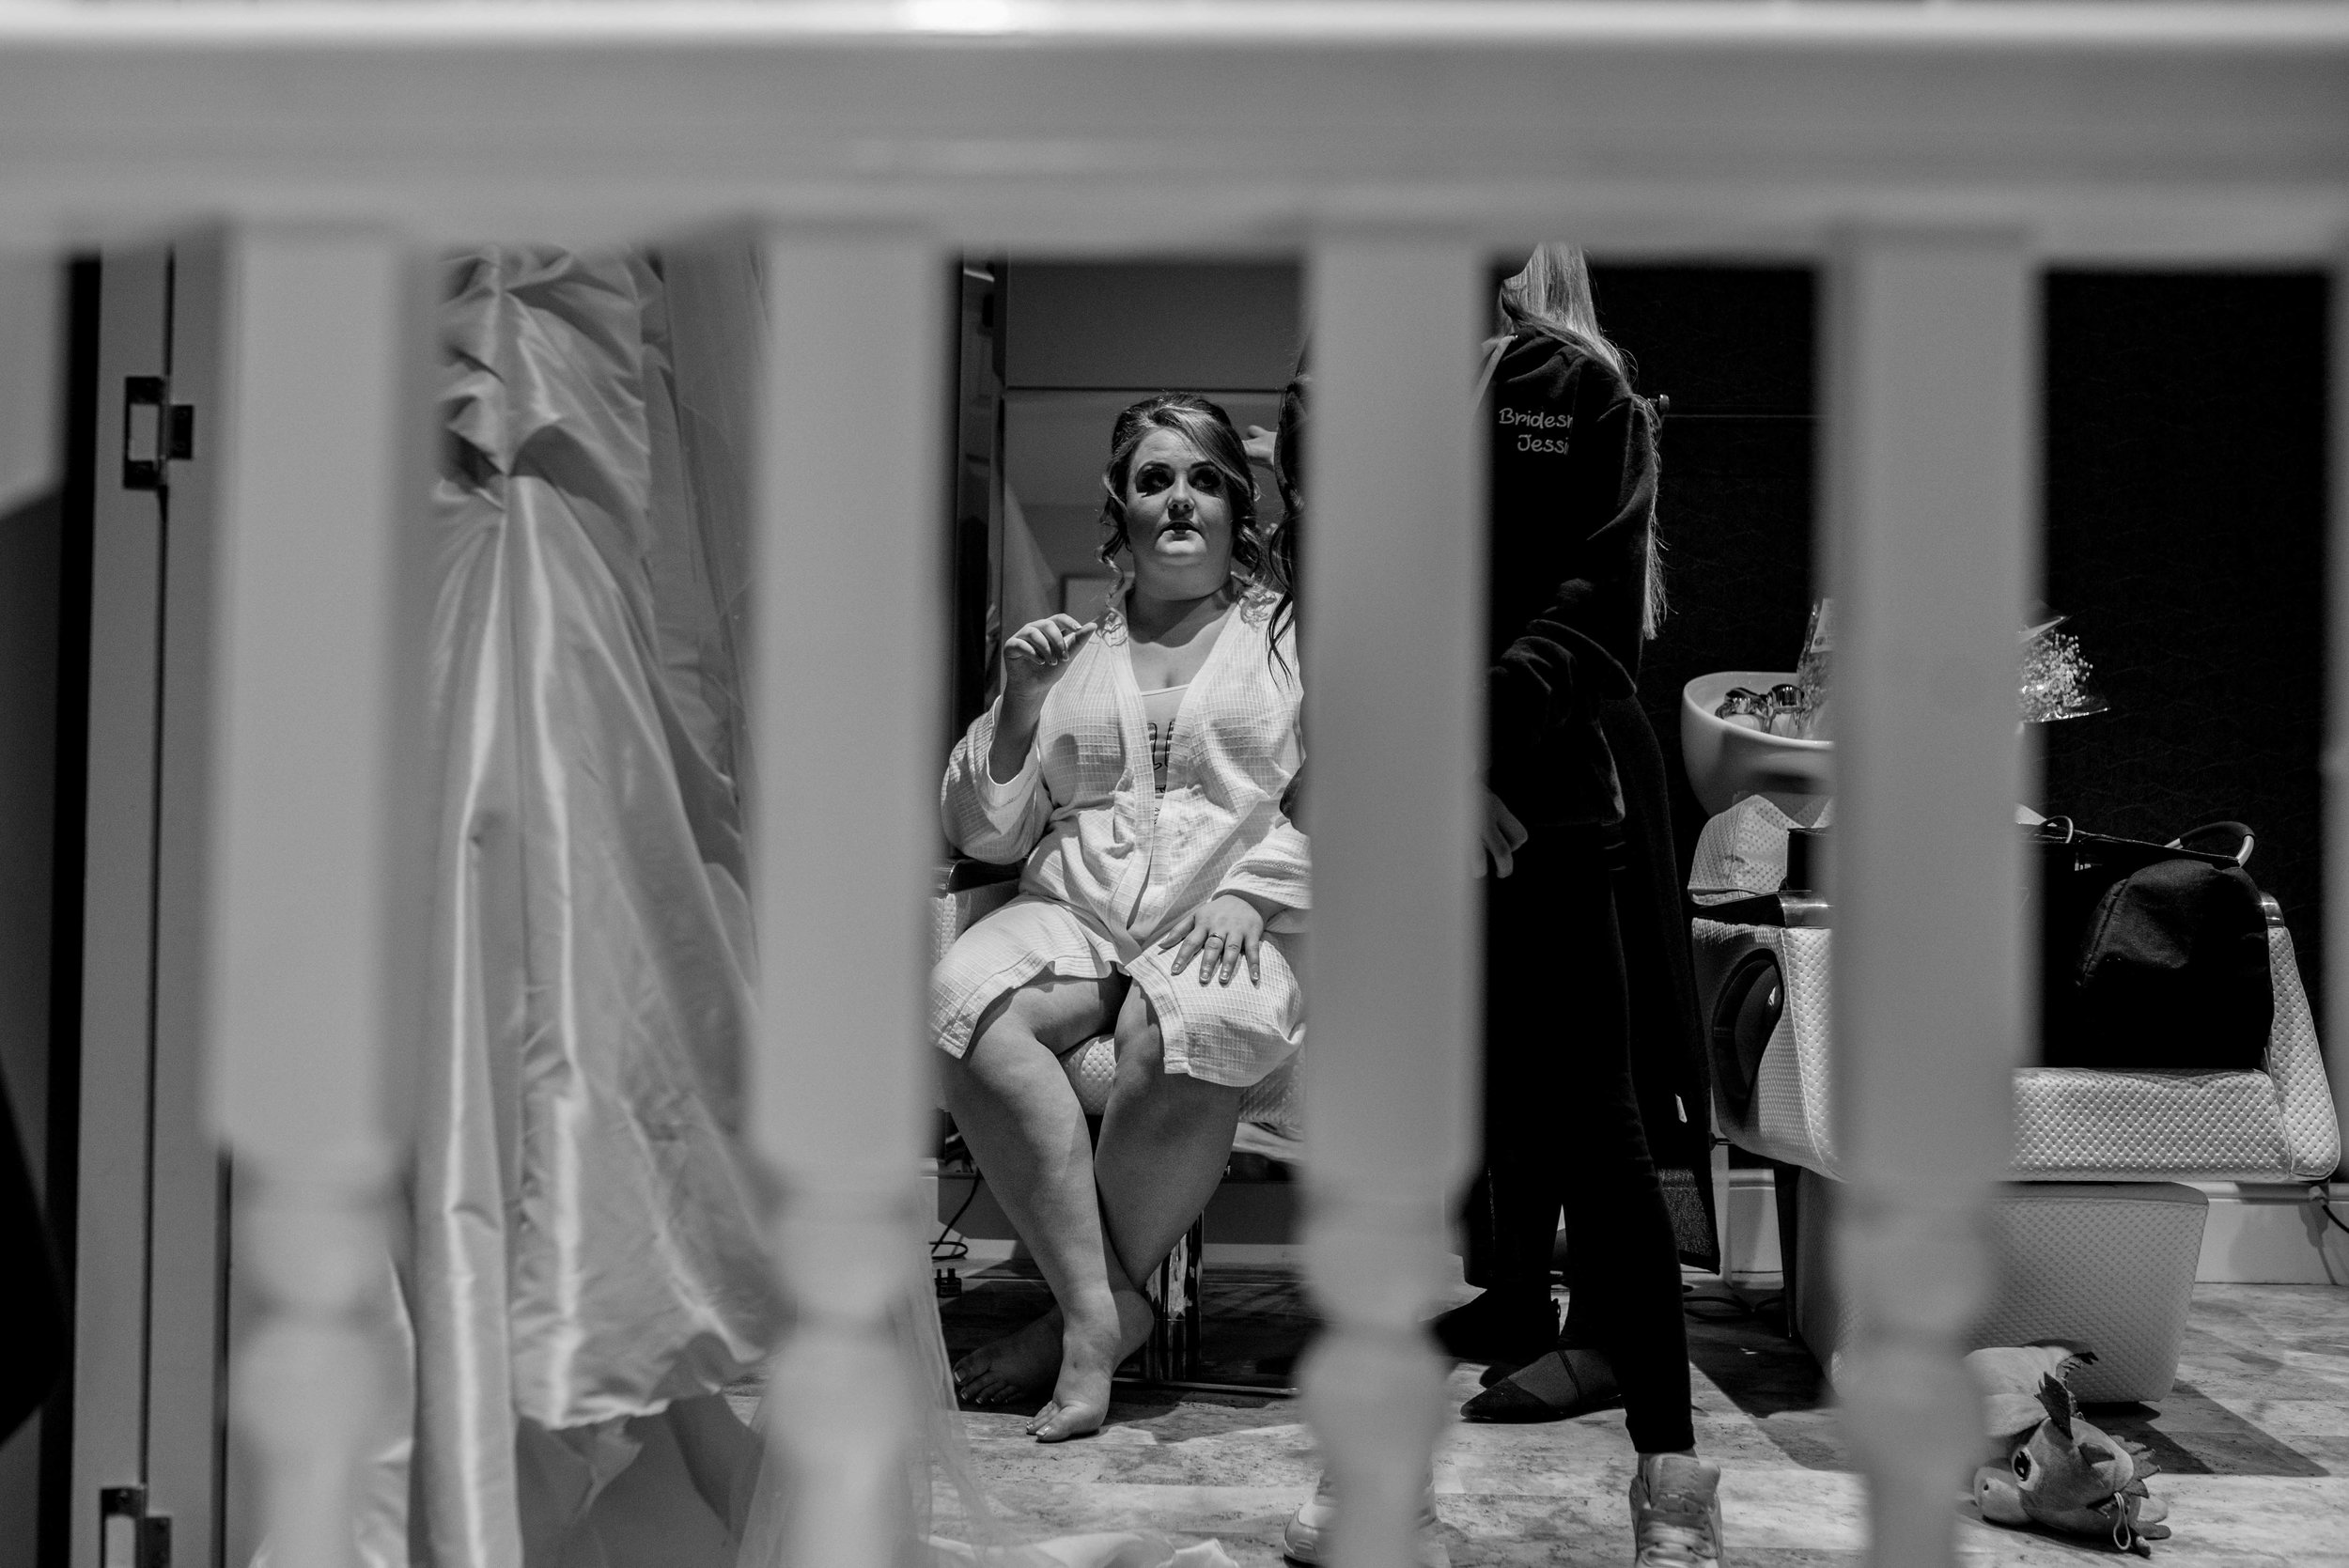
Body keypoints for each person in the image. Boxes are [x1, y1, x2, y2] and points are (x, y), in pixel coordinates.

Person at [1278, 248, 1724, 1568]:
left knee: (1600, 1130)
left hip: (1545, 804)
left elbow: (1593, 620)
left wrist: (1458, 754)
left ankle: (1675, 1479)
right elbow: (1334, 602)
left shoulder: (1578, 392)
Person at [935, 393, 1308, 1444]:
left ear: (1239, 509)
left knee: (1182, 1029)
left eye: (1201, 479)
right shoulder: (1073, 654)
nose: (1179, 498)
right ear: (1121, 511)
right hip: (1078, 907)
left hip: (1238, 914)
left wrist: (1257, 887)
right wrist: (1016, 704)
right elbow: (990, 831)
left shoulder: (1287, 640)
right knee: (961, 1004)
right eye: (1154, 479)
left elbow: (1343, 787)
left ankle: (1071, 1326)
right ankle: (1104, 1313)